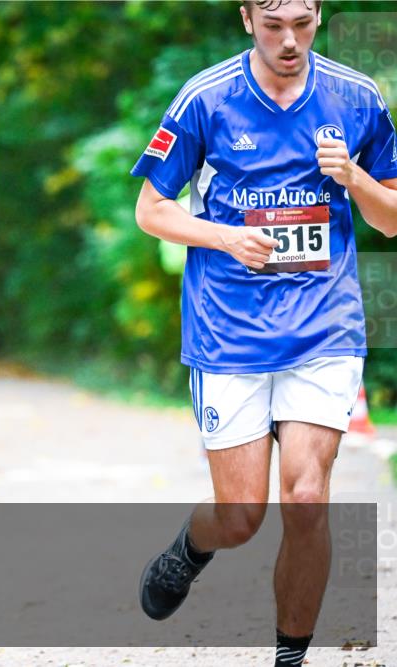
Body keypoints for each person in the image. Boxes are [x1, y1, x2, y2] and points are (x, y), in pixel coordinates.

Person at [130, 1, 397, 665]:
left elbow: (392, 219)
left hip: (322, 325)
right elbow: (151, 210)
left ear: (320, 14)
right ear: (247, 17)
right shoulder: (206, 98)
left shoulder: (358, 98)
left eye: (303, 23)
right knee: (241, 517)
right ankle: (191, 548)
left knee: (307, 499)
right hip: (230, 331)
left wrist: (353, 176)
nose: (290, 40)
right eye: (274, 23)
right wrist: (225, 236)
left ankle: (290, 658)